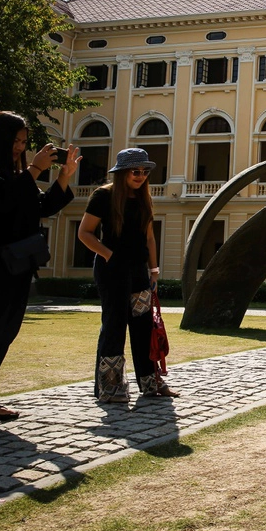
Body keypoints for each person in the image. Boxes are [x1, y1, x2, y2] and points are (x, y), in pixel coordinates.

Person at [0, 111, 79, 437]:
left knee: (3, 333)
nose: (20, 148)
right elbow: (1, 201)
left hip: (17, 263)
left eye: (23, 142)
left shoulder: (12, 172)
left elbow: (41, 207)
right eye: (15, 141)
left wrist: (63, 176)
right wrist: (35, 169)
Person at [78, 148, 177, 402]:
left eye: (145, 171)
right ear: (122, 172)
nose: (141, 176)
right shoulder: (103, 196)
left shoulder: (144, 198)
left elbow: (149, 237)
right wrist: (109, 255)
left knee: (144, 328)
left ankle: (151, 382)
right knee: (114, 326)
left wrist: (154, 271)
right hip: (111, 271)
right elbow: (85, 233)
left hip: (138, 271)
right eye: (136, 171)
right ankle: (111, 388)